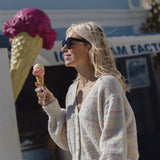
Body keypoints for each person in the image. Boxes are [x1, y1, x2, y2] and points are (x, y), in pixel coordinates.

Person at [35, 21, 139, 160]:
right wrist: (52, 106)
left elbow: (114, 146)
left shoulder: (107, 85)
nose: (64, 48)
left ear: (90, 45)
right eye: (63, 43)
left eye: (70, 42)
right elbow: (70, 142)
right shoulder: (73, 91)